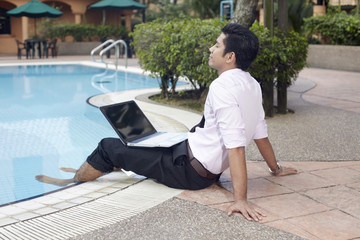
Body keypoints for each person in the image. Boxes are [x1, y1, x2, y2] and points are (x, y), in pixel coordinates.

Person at [36, 23, 297, 222]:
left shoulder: (222, 87)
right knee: (147, 137)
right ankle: (116, 162)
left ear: (229, 57)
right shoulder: (252, 84)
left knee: (107, 145)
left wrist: (241, 200)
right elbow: (260, 133)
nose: (211, 49)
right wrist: (275, 169)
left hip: (188, 171)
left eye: (217, 45)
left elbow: (236, 145)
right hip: (193, 157)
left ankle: (75, 180)